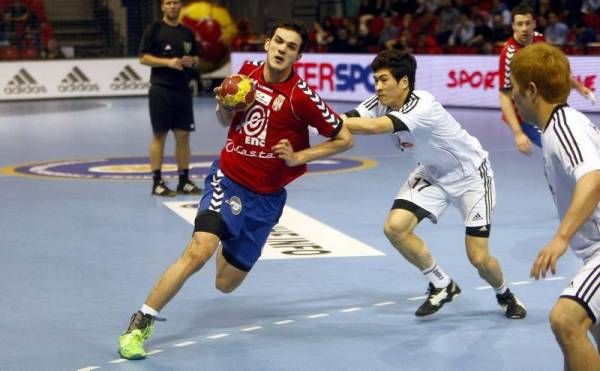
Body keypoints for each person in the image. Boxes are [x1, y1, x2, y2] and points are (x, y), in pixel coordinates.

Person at [118, 18, 353, 360]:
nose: (282, 49)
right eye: (279, 41)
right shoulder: (245, 75)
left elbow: (344, 138)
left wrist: (301, 155)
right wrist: (224, 106)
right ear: (267, 44)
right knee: (199, 250)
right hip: (226, 178)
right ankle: (140, 323)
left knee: (225, 284)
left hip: (267, 199)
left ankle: (227, 228)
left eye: (291, 46)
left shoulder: (301, 97)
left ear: (297, 57)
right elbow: (224, 120)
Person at [342, 49, 527, 319]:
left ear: (403, 82)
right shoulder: (380, 101)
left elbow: (374, 127)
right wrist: (311, 121)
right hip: (432, 172)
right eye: (376, 80)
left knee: (478, 258)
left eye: (383, 80)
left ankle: (505, 294)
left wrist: (325, 121)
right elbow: (351, 115)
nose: (378, 87)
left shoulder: (422, 105)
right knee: (395, 228)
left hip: (471, 177)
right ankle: (442, 283)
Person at [511, 42, 600, 371]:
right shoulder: (558, 128)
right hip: (592, 252)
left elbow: (592, 178)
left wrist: (561, 238)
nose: (514, 97)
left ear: (532, 90)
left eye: (516, 89)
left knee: (566, 319)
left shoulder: (565, 127)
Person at [498, 2, 595, 156]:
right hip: (527, 115)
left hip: (548, 104)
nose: (524, 28)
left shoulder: (539, 38)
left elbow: (554, 69)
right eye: (520, 24)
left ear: (534, 24)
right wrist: (518, 133)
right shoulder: (509, 53)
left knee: (573, 141)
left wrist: (578, 86)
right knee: (561, 149)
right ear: (513, 26)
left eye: (528, 23)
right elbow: (504, 96)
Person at [139, 0, 203, 196]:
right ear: (162, 7)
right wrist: (168, 62)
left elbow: (196, 57)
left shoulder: (187, 32)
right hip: (161, 90)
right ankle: (157, 182)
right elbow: (143, 57)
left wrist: (192, 61)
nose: (172, 6)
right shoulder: (154, 29)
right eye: (168, 3)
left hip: (182, 90)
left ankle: (184, 180)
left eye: (175, 2)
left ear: (180, 6)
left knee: (183, 136)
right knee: (160, 135)